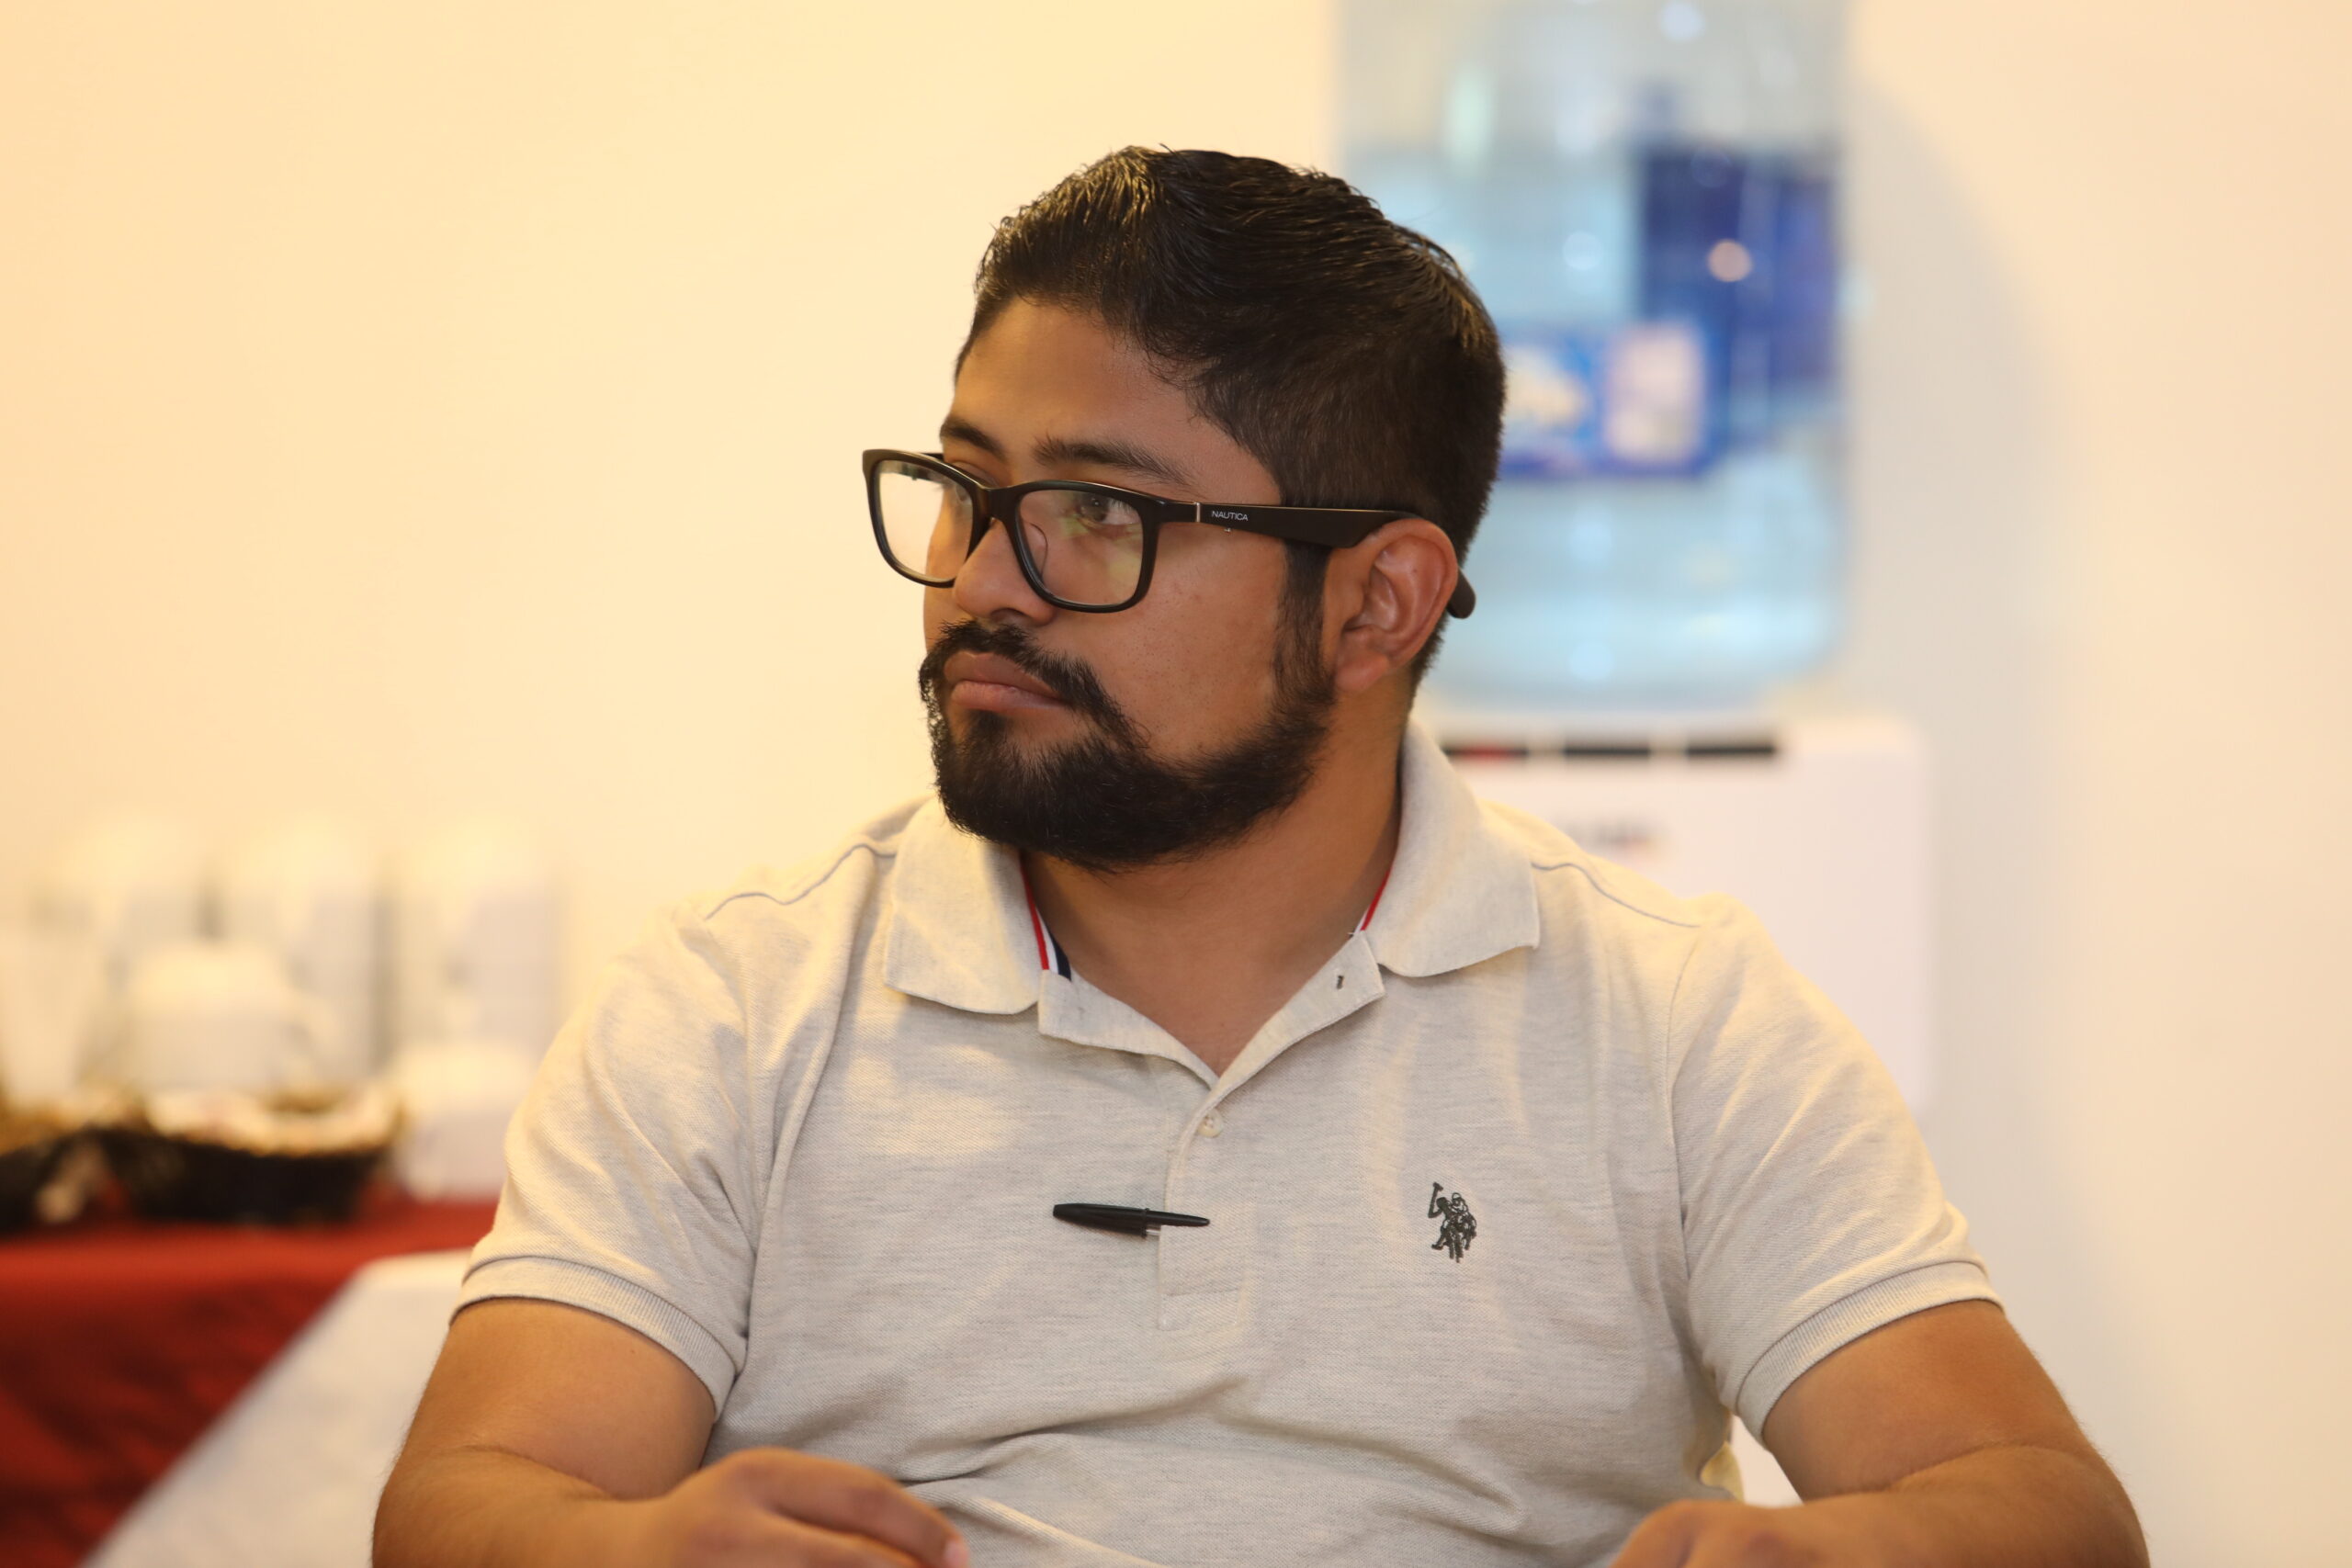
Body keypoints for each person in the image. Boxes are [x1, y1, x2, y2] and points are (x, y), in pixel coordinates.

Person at [376, 148, 2144, 1568]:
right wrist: (628, 1551)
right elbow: (464, 1504)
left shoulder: (1675, 1021)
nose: (981, 580)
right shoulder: (734, 1005)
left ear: (1380, 603)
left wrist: (1824, 1551)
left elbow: (2045, 1508)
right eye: (966, 488)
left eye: (1097, 515)